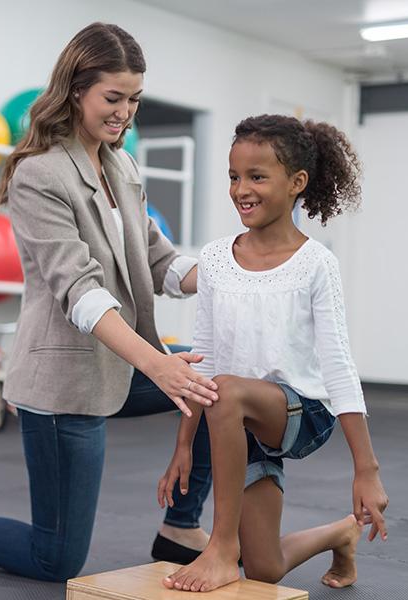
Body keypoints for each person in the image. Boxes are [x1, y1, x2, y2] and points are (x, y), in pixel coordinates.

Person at [0, 22, 222, 582]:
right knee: (57, 560)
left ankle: (179, 527)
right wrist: (159, 364)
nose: (125, 112)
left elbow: (159, 260)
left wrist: (234, 275)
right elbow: (81, 291)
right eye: (113, 98)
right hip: (63, 385)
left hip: (119, 364)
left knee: (222, 380)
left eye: (134, 100)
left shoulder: (121, 165)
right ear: (75, 90)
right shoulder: (38, 174)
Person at [160, 114, 390, 593]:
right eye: (234, 176)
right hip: (240, 420)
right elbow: (203, 358)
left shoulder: (316, 263)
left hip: (304, 414)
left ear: (296, 183)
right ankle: (339, 535)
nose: (241, 189)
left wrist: (366, 470)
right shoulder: (217, 258)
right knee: (265, 567)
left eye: (257, 177)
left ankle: (221, 548)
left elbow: (339, 367)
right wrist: (183, 444)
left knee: (226, 394)